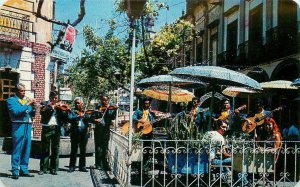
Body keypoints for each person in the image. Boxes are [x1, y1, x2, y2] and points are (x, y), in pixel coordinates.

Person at [6, 83, 36, 179]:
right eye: (22, 91)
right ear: (17, 91)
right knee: (17, 148)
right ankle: (15, 170)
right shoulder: (11, 100)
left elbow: (31, 113)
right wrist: (27, 104)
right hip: (18, 125)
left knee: (26, 148)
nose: (24, 93)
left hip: (28, 125)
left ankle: (24, 169)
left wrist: (34, 108)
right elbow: (16, 111)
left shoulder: (26, 100)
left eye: (24, 91)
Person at [39, 91, 65, 175]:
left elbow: (64, 116)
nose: (55, 100)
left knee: (55, 148)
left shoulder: (60, 106)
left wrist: (64, 109)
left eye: (56, 98)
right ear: (50, 97)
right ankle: (43, 168)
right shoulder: (44, 103)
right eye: (53, 98)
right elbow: (42, 111)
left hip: (56, 128)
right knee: (45, 148)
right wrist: (53, 106)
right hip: (47, 128)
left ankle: (54, 168)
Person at [92, 95, 117, 171]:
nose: (105, 102)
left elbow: (113, 117)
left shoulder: (109, 109)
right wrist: (96, 120)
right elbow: (92, 118)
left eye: (106, 100)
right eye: (104, 100)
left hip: (106, 130)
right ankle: (98, 164)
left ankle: (105, 164)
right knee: (98, 147)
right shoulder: (97, 108)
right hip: (98, 130)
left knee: (105, 148)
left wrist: (114, 110)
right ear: (101, 100)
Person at [68, 97, 91, 172]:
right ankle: (72, 166)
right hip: (75, 131)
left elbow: (90, 119)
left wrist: (85, 116)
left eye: (78, 103)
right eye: (76, 103)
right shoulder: (73, 111)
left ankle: (82, 166)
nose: (77, 104)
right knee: (74, 149)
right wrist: (77, 116)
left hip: (84, 132)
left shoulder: (86, 111)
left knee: (83, 150)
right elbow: (70, 118)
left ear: (82, 104)